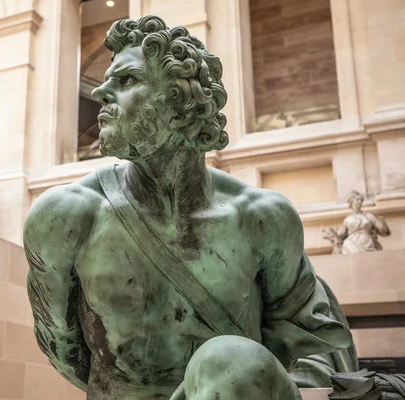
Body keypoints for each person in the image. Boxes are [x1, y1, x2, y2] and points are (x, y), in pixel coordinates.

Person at [24, 15, 355, 399]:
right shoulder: (65, 217)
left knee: (232, 361)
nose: (100, 93)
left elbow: (300, 345)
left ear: (181, 104)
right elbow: (65, 348)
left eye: (127, 80)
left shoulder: (261, 218)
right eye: (105, 80)